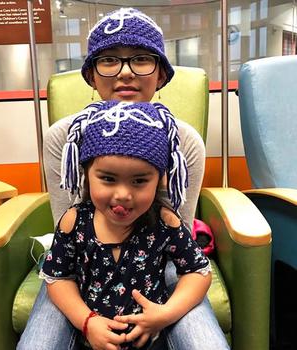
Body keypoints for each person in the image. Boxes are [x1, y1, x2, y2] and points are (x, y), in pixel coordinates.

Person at [17, 7, 229, 350]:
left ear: (160, 73)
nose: (125, 73)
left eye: (141, 59)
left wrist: (165, 311)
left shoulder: (183, 141)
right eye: (109, 60)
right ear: (91, 75)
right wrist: (87, 319)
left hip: (162, 258)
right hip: (82, 262)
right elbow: (65, 235)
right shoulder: (64, 139)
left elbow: (182, 235)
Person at [39, 100, 212, 350]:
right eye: (108, 178)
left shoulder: (165, 223)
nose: (122, 194)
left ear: (160, 179)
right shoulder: (74, 222)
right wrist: (87, 322)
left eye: (139, 181)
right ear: (86, 174)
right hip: (90, 341)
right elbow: (58, 278)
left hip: (153, 340)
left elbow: (198, 272)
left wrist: (165, 315)